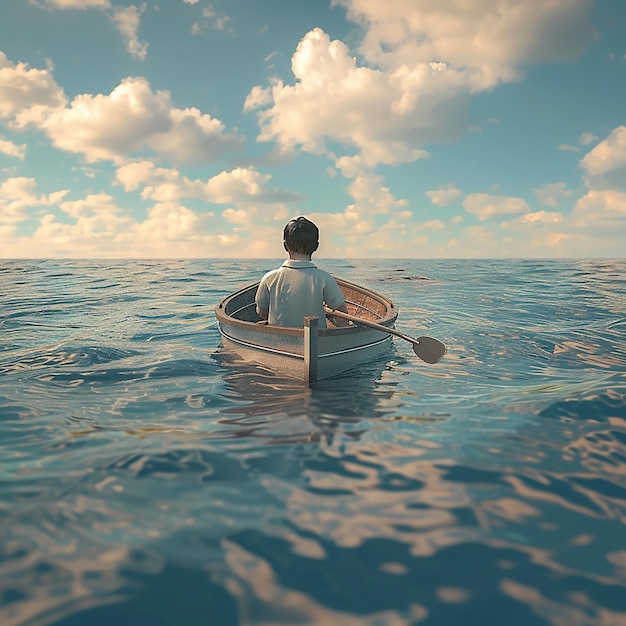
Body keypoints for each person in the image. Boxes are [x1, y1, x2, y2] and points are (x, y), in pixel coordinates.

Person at [255, 216, 350, 327]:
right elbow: (342, 315)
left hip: (279, 339)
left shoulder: (270, 278)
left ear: (285, 246)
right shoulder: (324, 278)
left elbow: (261, 312)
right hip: (317, 340)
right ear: (316, 246)